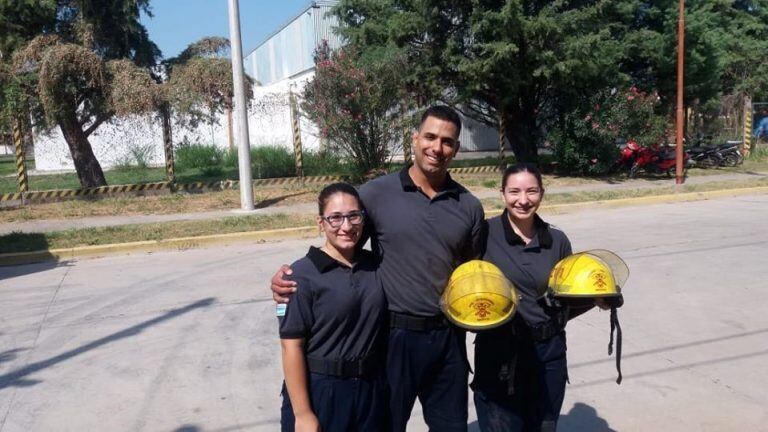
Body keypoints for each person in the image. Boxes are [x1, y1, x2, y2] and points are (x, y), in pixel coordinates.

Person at [273, 105, 485, 432]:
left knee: (453, 427)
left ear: (456, 149)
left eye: (447, 141)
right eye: (429, 136)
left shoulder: (469, 206)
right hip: (393, 337)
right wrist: (293, 278)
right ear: (414, 138)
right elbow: (343, 246)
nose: (436, 147)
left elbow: (472, 272)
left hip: (448, 338)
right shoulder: (375, 194)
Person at [471, 163, 599, 432]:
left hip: (547, 353)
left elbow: (565, 297)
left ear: (542, 193)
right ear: (502, 193)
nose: (523, 200)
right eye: (514, 191)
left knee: (543, 425)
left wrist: (598, 297)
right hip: (499, 351)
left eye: (532, 191)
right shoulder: (483, 234)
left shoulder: (557, 240)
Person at [278, 183, 388, 432]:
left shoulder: (375, 265)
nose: (346, 226)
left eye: (353, 216)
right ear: (321, 222)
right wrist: (303, 413)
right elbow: (291, 346)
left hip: (370, 388)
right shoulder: (301, 275)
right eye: (335, 218)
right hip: (321, 390)